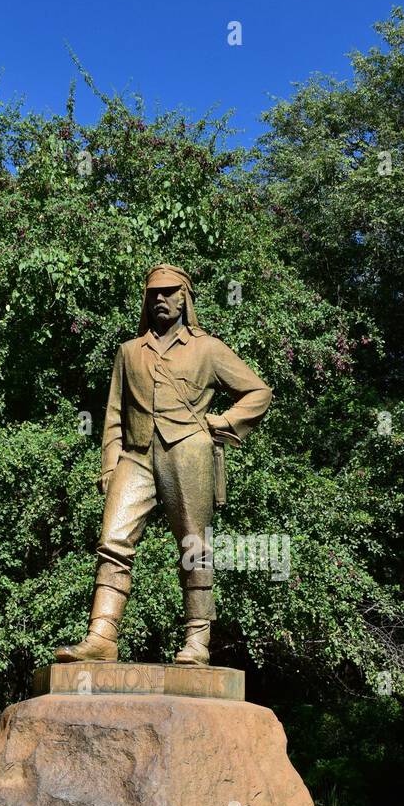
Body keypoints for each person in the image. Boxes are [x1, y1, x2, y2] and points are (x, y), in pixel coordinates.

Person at [55, 263, 272, 666]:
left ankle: (197, 642)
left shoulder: (208, 348)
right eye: (153, 293)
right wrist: (108, 464)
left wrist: (222, 423)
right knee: (112, 542)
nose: (160, 298)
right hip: (134, 456)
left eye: (169, 291)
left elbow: (258, 391)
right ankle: (101, 636)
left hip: (188, 452)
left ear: (184, 298)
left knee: (194, 546)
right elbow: (114, 413)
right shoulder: (128, 351)